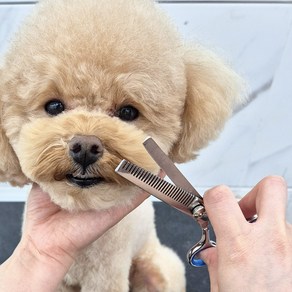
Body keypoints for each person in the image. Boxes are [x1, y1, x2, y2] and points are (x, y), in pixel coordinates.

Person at [0, 176, 291, 291]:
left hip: (133, 262)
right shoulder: (42, 224)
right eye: (54, 106)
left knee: (160, 278)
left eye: (126, 113)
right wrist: (35, 255)